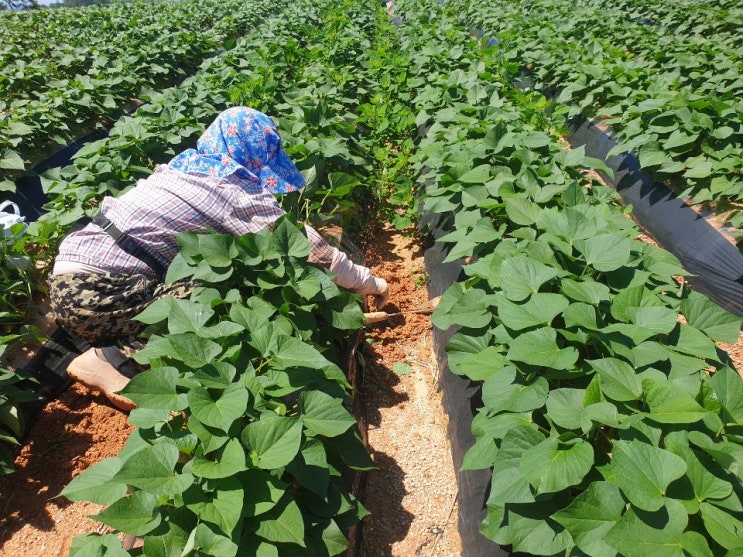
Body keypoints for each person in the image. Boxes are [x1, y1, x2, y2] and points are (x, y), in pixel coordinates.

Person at [48, 107, 389, 411]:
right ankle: (115, 359)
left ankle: (118, 343)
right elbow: (312, 250)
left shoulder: (180, 170)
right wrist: (370, 283)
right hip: (100, 294)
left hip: (69, 277)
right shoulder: (232, 194)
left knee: (200, 270)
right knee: (218, 291)